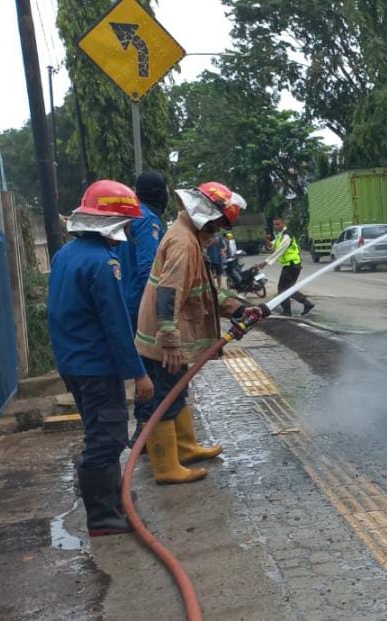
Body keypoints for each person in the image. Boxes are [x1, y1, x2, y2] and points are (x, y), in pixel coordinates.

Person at [134, 181, 267, 484]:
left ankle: (186, 448)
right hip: (164, 338)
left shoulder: (188, 236)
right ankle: (167, 468)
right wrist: (169, 342)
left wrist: (237, 309)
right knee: (165, 397)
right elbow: (169, 293)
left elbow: (201, 292)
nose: (218, 231)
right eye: (218, 224)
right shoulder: (184, 243)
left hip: (166, 334)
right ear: (205, 216)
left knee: (177, 391)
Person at [48, 180, 155, 537]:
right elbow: (116, 326)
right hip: (96, 365)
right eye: (126, 224)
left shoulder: (65, 255)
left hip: (73, 363)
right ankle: (101, 517)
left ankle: (110, 499)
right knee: (107, 438)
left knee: (99, 431)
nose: (127, 231)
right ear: (112, 224)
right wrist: (139, 374)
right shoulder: (103, 264)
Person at [115, 171, 168, 332]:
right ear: (159, 194)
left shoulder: (131, 216)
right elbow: (148, 268)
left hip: (123, 298)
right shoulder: (147, 220)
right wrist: (160, 310)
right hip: (139, 303)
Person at [257, 215, 314, 317]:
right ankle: (306, 304)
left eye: (278, 224)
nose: (276, 226)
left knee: (282, 290)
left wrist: (265, 263)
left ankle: (288, 311)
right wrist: (267, 240)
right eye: (274, 224)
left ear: (283, 223)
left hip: (291, 265)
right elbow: (272, 246)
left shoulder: (287, 236)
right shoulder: (280, 235)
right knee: (288, 289)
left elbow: (279, 251)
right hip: (292, 265)